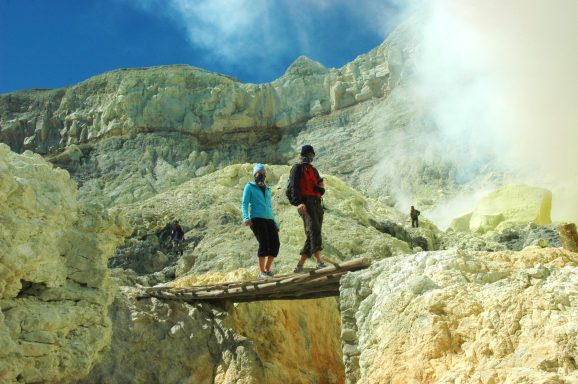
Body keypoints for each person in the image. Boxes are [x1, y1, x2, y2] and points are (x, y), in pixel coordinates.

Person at [288, 145, 326, 272]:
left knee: (313, 232)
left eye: (311, 155)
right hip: (306, 203)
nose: (310, 157)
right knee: (313, 229)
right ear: (304, 155)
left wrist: (321, 187)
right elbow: (293, 186)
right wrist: (298, 202)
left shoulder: (313, 170)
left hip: (317, 203)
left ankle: (299, 265)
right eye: (309, 155)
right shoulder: (297, 168)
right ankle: (319, 262)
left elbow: (319, 186)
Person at [242, 163, 280, 279]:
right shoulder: (249, 186)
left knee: (275, 244)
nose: (262, 176)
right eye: (260, 173)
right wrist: (246, 217)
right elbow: (244, 203)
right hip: (256, 218)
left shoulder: (268, 189)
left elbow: (269, 206)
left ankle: (267, 270)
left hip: (269, 219)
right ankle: (262, 272)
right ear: (255, 174)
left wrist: (275, 222)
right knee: (264, 244)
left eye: (264, 174)